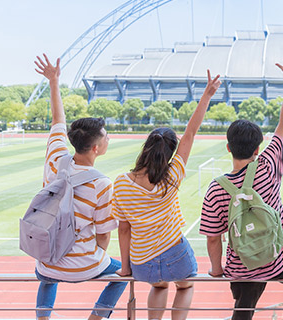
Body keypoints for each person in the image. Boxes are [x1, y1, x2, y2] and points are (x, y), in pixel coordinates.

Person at [199, 47, 283, 320]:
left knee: (244, 305)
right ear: (258, 149)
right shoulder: (268, 165)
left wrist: (216, 269)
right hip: (279, 256)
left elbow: (213, 237)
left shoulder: (215, 188)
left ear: (228, 147)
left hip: (242, 266)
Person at [112, 71, 221, 320]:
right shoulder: (172, 176)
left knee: (159, 286)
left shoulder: (120, 183)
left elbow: (124, 229)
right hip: (175, 252)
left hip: (141, 260)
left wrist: (126, 267)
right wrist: (206, 95)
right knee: (186, 286)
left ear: (146, 147)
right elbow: (190, 134)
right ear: (170, 153)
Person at [33, 54, 126, 320]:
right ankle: (96, 317)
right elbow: (104, 236)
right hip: (86, 264)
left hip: (47, 262)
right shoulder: (101, 183)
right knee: (123, 275)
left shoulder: (55, 158)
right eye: (106, 137)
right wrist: (92, 259)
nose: (109, 139)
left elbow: (57, 120)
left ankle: (42, 318)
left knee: (47, 276)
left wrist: (54, 81)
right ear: (96, 148)